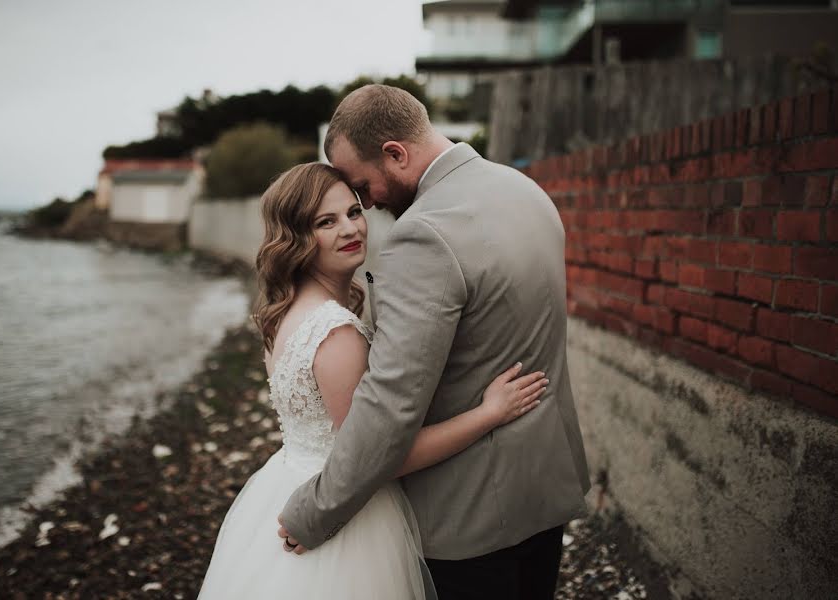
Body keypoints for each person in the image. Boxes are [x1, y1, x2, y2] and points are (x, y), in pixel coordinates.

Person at [278, 85, 592, 600]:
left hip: (470, 517)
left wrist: (314, 512)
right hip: (547, 485)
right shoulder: (525, 190)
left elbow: (390, 405)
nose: (369, 204)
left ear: (396, 154)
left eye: (363, 185)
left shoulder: (423, 236)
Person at [196, 162, 548, 599]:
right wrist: (489, 414)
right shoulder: (335, 334)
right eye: (326, 222)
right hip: (345, 513)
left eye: (354, 212)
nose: (350, 229)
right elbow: (382, 457)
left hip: (288, 480)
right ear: (297, 238)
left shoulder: (286, 314)